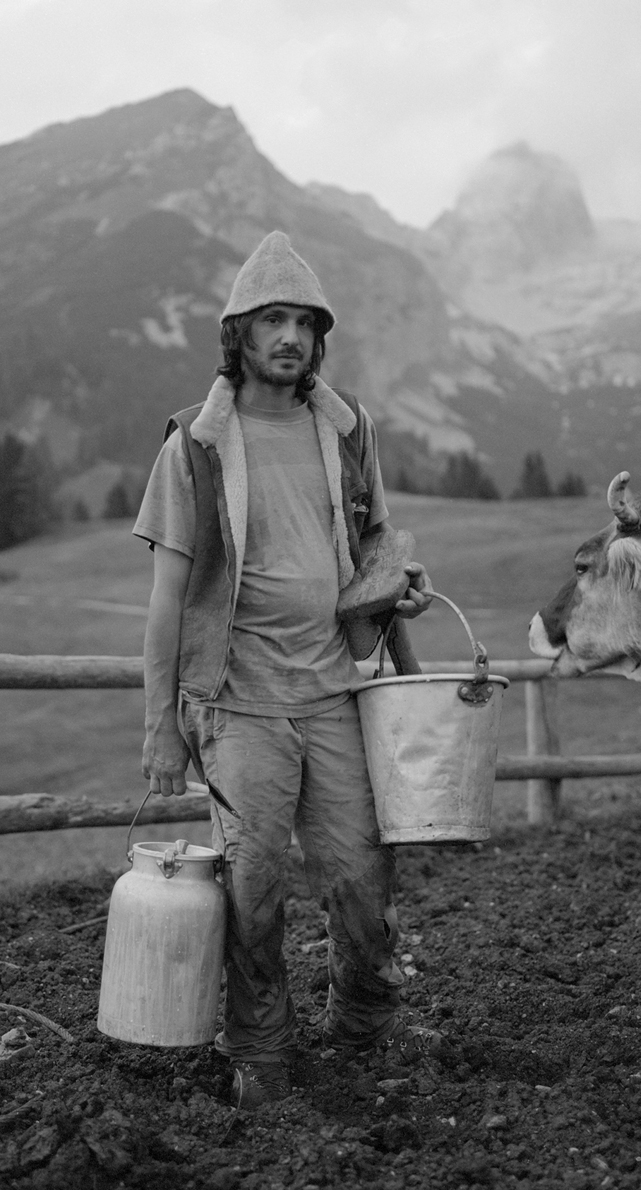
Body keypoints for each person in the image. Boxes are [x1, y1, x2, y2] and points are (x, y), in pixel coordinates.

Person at [133, 230, 438, 1110]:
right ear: (239, 333)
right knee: (253, 882)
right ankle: (262, 1048)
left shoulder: (348, 430)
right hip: (239, 705)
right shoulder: (194, 446)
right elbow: (165, 599)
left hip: (336, 692)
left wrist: (397, 589)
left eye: (304, 321)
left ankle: (362, 1027)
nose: (290, 336)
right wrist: (161, 723)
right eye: (273, 318)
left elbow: (374, 547)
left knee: (360, 873)